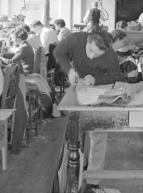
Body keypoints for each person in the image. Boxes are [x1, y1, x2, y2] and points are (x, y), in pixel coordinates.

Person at [54, 30, 127, 175]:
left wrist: (96, 80)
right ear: (87, 40)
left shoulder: (111, 55)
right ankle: (83, 164)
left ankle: (94, 177)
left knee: (98, 130)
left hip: (99, 88)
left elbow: (116, 77)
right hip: (79, 84)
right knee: (79, 128)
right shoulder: (76, 38)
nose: (91, 57)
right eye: (91, 50)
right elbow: (58, 52)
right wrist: (69, 70)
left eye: (97, 55)